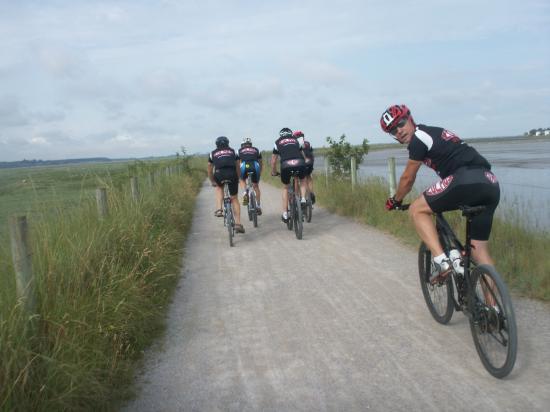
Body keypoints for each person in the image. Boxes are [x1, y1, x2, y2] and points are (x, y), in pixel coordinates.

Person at [380, 104, 499, 284]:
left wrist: (395, 200)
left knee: (416, 209)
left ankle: (443, 262)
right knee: (479, 251)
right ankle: (494, 309)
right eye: (393, 130)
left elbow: (407, 178)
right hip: (490, 182)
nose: (399, 131)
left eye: (401, 123)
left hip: (463, 179)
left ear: (410, 119)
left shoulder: (418, 138)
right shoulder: (432, 132)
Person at [207, 136, 245, 233]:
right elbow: (237, 166)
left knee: (219, 188)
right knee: (234, 198)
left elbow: (210, 169)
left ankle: (219, 209)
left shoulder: (212, 153)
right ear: (228, 143)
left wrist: (212, 181)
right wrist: (238, 177)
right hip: (232, 173)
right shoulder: (234, 151)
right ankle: (238, 223)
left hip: (219, 174)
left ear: (217, 144)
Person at [271, 127, 308, 223]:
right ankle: (303, 199)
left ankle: (285, 214)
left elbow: (274, 161)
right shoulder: (296, 140)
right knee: (303, 179)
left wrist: (274, 172)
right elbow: (302, 154)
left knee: (286, 188)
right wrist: (305, 163)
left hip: (286, 165)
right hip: (299, 163)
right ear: (291, 134)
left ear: (281, 135)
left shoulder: (277, 142)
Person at [238, 137, 263, 215]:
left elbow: (238, 163)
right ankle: (258, 206)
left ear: (242, 145)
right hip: (255, 166)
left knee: (241, 179)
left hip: (244, 166)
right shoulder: (256, 150)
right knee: (256, 186)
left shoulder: (239, 151)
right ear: (251, 145)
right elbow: (260, 162)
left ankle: (245, 192)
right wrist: (260, 171)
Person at [293, 130, 316, 204]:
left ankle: (296, 197)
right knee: (309, 177)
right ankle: (311, 193)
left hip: (300, 163)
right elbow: (312, 154)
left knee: (296, 179)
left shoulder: (295, 144)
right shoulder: (308, 143)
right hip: (309, 163)